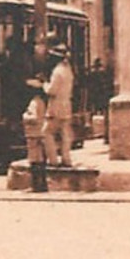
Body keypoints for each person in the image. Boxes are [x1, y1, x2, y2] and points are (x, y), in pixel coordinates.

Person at [41, 40, 75, 168]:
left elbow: (52, 90)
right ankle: (66, 159)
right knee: (65, 133)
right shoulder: (68, 70)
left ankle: (53, 160)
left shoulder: (57, 71)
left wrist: (43, 84)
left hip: (56, 106)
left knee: (47, 132)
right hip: (67, 104)